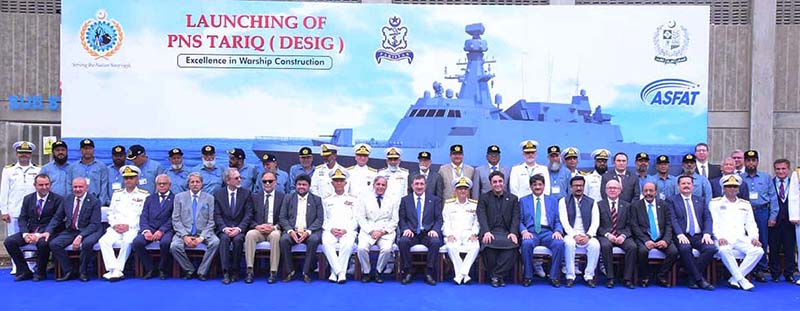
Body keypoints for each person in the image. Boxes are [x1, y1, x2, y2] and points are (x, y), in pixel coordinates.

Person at [3, 174, 62, 281]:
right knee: (9, 241)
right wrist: (25, 234)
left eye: (47, 184)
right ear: (35, 185)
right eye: (41, 185)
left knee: (43, 243)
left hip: (49, 232)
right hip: (30, 230)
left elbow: (56, 220)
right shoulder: (28, 199)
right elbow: (23, 218)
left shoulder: (58, 199)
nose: (44, 187)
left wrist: (39, 235)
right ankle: (24, 270)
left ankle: (40, 273)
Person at [710, 175, 763, 291]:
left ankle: (735, 278)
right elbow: (713, 223)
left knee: (758, 251)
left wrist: (754, 237)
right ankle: (742, 280)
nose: (732, 189)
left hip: (740, 239)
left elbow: (751, 224)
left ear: (738, 189)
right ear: (723, 188)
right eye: (729, 186)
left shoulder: (745, 204)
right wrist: (719, 237)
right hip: (722, 238)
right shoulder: (715, 203)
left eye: (735, 186)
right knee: (724, 250)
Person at [44, 177, 102, 282]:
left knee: (87, 244)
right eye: (75, 187)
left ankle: (83, 272)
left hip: (89, 230)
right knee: (54, 244)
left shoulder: (94, 201)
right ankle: (69, 271)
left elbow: (95, 224)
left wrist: (80, 236)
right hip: (72, 230)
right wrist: (48, 231)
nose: (78, 189)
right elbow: (57, 217)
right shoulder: (67, 199)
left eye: (80, 187)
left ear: (86, 188)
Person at [99, 165, 149, 281]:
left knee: (127, 241)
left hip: (133, 228)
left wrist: (129, 226)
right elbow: (110, 213)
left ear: (137, 179)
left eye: (131, 178)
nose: (128, 180)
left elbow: (144, 216)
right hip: (116, 227)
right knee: (104, 241)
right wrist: (115, 224)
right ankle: (113, 269)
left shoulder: (144, 195)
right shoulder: (117, 194)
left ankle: (118, 270)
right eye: (126, 178)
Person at [668, 175, 716, 290]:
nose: (686, 186)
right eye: (683, 184)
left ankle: (692, 277)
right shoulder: (672, 200)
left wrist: (707, 233)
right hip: (682, 235)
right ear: (678, 186)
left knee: (710, 248)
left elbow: (707, 218)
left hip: (700, 235)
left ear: (692, 186)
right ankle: (699, 279)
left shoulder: (700, 200)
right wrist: (680, 234)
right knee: (685, 248)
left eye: (688, 183)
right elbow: (672, 219)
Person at [171, 172, 219, 281]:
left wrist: (201, 238)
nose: (195, 184)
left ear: (202, 184)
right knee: (174, 246)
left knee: (215, 242)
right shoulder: (179, 197)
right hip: (184, 232)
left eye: (197, 182)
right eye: (192, 182)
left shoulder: (209, 198)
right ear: (188, 184)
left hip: (203, 232)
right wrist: (184, 236)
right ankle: (189, 269)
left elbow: (211, 221)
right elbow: (176, 219)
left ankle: (202, 271)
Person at [0, 141, 39, 275]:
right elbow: (4, 191)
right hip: (14, 211)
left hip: (32, 212)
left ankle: (30, 264)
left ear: (30, 155)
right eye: (21, 153)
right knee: (13, 239)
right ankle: (17, 265)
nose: (24, 155)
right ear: (17, 154)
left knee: (30, 238)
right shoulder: (8, 170)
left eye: (27, 153)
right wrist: (4, 211)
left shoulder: (37, 170)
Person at [519, 174, 564, 287]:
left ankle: (554, 276)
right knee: (526, 243)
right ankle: (528, 276)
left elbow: (558, 220)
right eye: (534, 185)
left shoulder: (552, 200)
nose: (537, 187)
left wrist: (558, 231)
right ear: (530, 187)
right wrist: (524, 231)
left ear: (544, 186)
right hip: (531, 232)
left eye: (540, 184)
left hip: (547, 232)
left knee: (559, 243)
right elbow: (519, 220)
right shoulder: (524, 201)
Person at [397, 174, 443, 285]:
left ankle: (429, 271)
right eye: (416, 184)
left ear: (425, 186)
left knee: (436, 242)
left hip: (428, 232)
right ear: (412, 185)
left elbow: (439, 219)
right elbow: (401, 218)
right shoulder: (405, 200)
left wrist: (435, 230)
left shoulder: (434, 199)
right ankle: (408, 271)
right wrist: (405, 229)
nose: (419, 186)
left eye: (421, 184)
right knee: (403, 241)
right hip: (411, 232)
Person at [630, 182, 678, 288]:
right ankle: (645, 276)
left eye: (651, 191)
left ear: (656, 192)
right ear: (642, 192)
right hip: (644, 237)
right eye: (646, 191)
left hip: (661, 237)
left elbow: (668, 225)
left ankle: (661, 276)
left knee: (673, 252)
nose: (648, 193)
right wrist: (646, 240)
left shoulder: (664, 205)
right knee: (642, 251)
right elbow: (634, 226)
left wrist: (665, 240)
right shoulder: (636, 205)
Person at [740, 149, 778, 282]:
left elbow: (773, 197)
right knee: (745, 239)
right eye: (748, 160)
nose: (751, 163)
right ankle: (746, 268)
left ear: (757, 162)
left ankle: (760, 269)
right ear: (744, 162)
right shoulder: (740, 178)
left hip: (762, 212)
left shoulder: (765, 177)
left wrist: (773, 216)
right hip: (744, 212)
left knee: (762, 239)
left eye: (753, 160)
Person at [477, 171, 520, 287]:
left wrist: (513, 232)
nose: (497, 184)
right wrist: (486, 231)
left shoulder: (513, 199)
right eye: (494, 182)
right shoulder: (484, 198)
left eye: (500, 181)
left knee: (513, 247)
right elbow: (481, 216)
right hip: (490, 232)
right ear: (491, 184)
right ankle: (498, 277)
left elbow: (516, 217)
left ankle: (496, 276)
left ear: (504, 183)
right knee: (488, 245)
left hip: (506, 233)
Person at [279, 174, 324, 283]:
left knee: (314, 240)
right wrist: (290, 231)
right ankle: (290, 271)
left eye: (304, 184)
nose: (301, 187)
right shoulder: (288, 198)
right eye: (299, 184)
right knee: (284, 240)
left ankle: (306, 272)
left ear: (309, 186)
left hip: (309, 231)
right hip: (293, 231)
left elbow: (320, 219)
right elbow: (282, 217)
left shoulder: (316, 199)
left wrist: (308, 232)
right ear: (295, 186)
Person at [558, 175, 601, 288]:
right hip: (570, 234)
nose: (578, 188)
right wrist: (574, 235)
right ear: (571, 187)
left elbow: (595, 222)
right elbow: (564, 222)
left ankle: (589, 276)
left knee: (595, 244)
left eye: (581, 186)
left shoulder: (592, 202)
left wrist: (588, 235)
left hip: (587, 234)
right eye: (576, 186)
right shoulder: (564, 201)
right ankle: (570, 276)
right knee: (569, 243)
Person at [244, 171, 285, 284]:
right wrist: (257, 226)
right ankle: (249, 270)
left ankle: (273, 272)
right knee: (250, 234)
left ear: (275, 182)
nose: (267, 183)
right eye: (264, 181)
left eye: (270, 181)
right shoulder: (255, 197)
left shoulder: (282, 197)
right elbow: (249, 216)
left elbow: (284, 217)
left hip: (274, 229)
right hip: (259, 230)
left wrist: (275, 227)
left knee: (276, 236)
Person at [356, 175, 399, 283]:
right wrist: (371, 231)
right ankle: (366, 272)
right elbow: (360, 217)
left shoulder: (393, 199)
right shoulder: (364, 198)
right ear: (374, 185)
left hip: (385, 232)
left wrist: (382, 232)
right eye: (378, 184)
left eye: (383, 185)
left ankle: (378, 272)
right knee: (361, 248)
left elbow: (394, 220)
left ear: (386, 186)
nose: (380, 187)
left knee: (387, 249)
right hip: (369, 230)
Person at [214, 168, 253, 284]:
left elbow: (248, 214)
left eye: (240, 177)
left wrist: (239, 228)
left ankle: (235, 271)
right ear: (227, 180)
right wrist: (224, 228)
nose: (239, 180)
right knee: (224, 239)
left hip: (239, 229)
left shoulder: (246, 193)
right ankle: (225, 272)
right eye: (236, 178)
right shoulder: (218, 194)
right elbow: (217, 214)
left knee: (238, 240)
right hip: (224, 228)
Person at [131, 174, 174, 280]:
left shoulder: (176, 199)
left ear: (170, 185)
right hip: (150, 228)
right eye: (160, 184)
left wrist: (161, 231)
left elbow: (174, 218)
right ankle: (150, 268)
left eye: (164, 184)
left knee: (165, 243)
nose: (162, 186)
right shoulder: (149, 198)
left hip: (167, 229)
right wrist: (146, 231)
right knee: (137, 242)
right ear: (156, 185)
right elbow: (144, 216)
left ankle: (162, 269)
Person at [597, 179, 637, 288]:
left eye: (615, 188)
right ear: (605, 190)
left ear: (620, 190)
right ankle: (610, 278)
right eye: (610, 188)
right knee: (605, 246)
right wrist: (607, 235)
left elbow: (630, 225)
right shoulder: (599, 205)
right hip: (606, 235)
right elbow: (597, 225)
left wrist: (623, 235)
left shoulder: (627, 205)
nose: (612, 190)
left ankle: (627, 279)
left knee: (632, 247)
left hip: (622, 235)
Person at [321, 168, 359, 284]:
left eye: (341, 180)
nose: (338, 183)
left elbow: (356, 218)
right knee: (326, 243)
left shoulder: (353, 199)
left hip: (347, 230)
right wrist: (330, 229)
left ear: (345, 183)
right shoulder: (326, 199)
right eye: (336, 180)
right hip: (330, 230)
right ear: (332, 183)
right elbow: (324, 218)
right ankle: (341, 272)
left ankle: (334, 272)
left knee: (347, 244)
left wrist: (346, 230)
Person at [443, 177, 480, 285]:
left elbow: (477, 222)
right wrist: (449, 234)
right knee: (451, 246)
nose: (462, 191)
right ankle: (465, 274)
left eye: (465, 189)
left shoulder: (474, 204)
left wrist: (474, 233)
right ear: (455, 190)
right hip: (454, 233)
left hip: (469, 234)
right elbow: (446, 221)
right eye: (460, 189)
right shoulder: (449, 204)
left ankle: (460, 274)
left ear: (468, 191)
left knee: (475, 246)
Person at [770, 158, 797, 283]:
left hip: (790, 222)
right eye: (778, 169)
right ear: (774, 170)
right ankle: (775, 274)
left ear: (788, 169)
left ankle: (789, 273)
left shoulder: (795, 184)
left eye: (783, 169)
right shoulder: (769, 183)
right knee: (774, 248)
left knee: (789, 248)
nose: (780, 171)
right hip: (774, 222)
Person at [68, 139, 109, 205]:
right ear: (80, 150)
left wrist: (100, 204)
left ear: (93, 150)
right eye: (85, 148)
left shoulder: (101, 166)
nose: (87, 151)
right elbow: (69, 185)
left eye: (90, 148)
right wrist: (71, 202)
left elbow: (104, 187)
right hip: (77, 202)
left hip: (95, 201)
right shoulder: (73, 167)